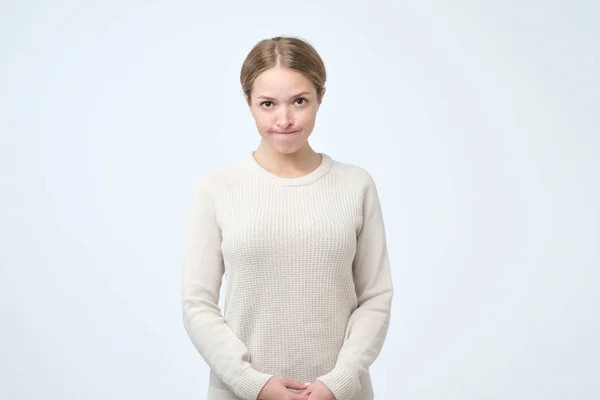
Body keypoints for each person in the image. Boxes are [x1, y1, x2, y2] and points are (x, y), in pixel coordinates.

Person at [182, 36, 394, 400]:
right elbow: (197, 303)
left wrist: (338, 382)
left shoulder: (354, 185)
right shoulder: (219, 188)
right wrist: (253, 383)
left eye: (299, 101)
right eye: (268, 104)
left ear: (320, 98)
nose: (284, 120)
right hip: (240, 393)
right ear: (248, 102)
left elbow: (375, 296)